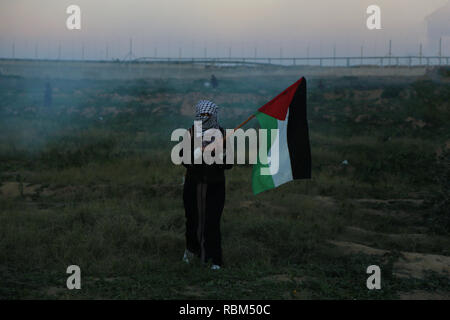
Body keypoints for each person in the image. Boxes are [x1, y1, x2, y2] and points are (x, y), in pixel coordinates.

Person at [181, 100, 232, 270]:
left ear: (214, 115)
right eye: (201, 115)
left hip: (215, 186)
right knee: (193, 220)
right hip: (194, 185)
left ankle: (214, 259)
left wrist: (219, 155)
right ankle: (191, 251)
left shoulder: (223, 134)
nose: (204, 118)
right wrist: (196, 155)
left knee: (212, 221)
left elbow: (229, 163)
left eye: (207, 115)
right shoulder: (190, 133)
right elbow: (183, 159)